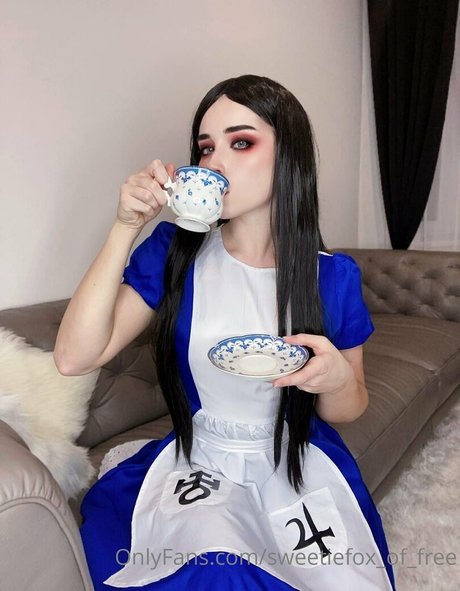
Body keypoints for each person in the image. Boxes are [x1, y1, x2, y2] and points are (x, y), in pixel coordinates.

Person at [54, 74, 395, 590]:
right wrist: (125, 226)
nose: (214, 162)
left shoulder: (331, 276)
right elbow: (74, 358)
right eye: (206, 147)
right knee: (218, 568)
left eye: (241, 143)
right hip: (203, 461)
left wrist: (336, 380)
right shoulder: (173, 252)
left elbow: (348, 408)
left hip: (292, 461)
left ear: (289, 156)